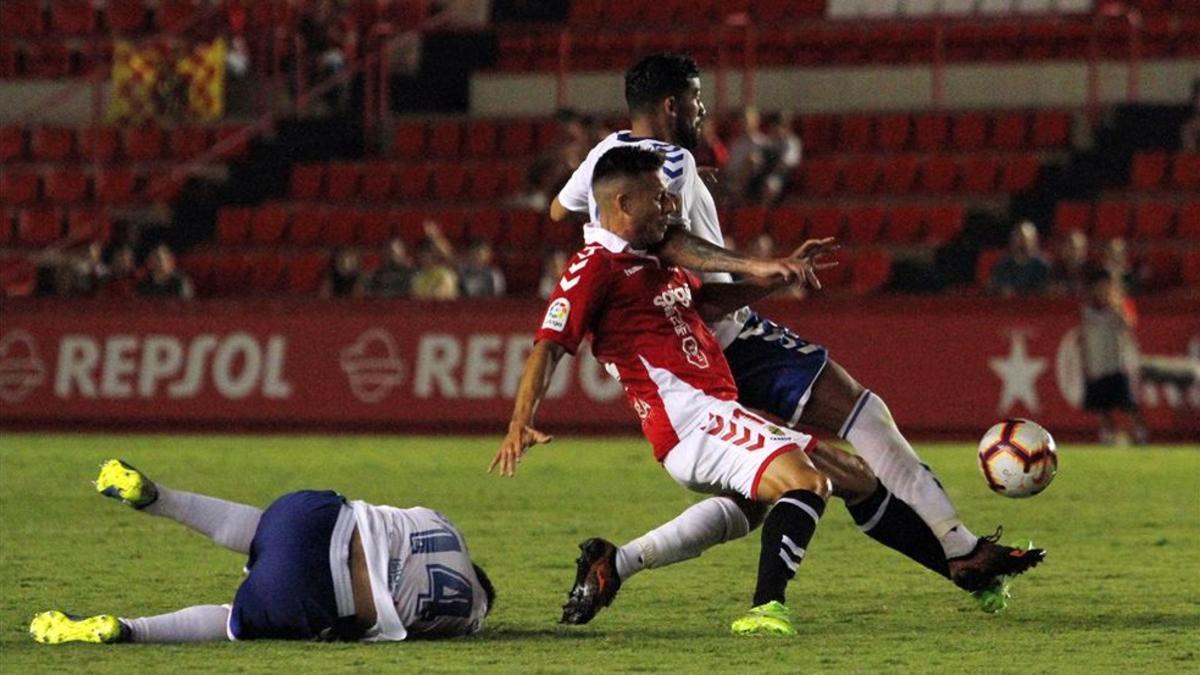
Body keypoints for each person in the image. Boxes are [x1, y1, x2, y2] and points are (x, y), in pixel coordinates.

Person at [548, 53, 1044, 622]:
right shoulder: (671, 163)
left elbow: (562, 211)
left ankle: (618, 563)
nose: (704, 108)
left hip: (683, 337)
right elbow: (668, 243)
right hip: (721, 333)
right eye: (696, 97)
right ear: (670, 105)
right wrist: (755, 268)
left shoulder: (609, 157)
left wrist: (660, 198)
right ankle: (958, 549)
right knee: (862, 415)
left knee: (763, 499)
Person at [492, 147, 840, 636]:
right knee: (806, 482)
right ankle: (767, 609)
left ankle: (614, 565)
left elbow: (706, 304)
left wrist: (771, 277)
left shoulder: (652, 258)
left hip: (713, 412)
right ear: (624, 204)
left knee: (757, 506)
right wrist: (519, 421)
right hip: (692, 419)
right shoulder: (594, 266)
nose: (672, 207)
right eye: (660, 198)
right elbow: (548, 346)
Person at [30, 459, 494, 645]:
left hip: (314, 515)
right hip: (316, 591)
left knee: (261, 527)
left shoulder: (447, 526)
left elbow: (398, 513)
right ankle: (128, 630)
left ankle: (160, 498)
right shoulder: (468, 618)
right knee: (231, 618)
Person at [1080, 268, 1147, 445]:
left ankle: (1140, 434)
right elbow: (1083, 337)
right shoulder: (1087, 309)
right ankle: (1108, 435)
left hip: (1117, 364)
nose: (1102, 291)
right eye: (1099, 287)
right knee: (1102, 406)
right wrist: (1085, 364)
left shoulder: (1120, 305)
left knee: (1127, 404)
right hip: (1097, 365)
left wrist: (1117, 306)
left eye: (1105, 287)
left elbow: (1129, 324)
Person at [989, 221, 1051, 297]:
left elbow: (1044, 291)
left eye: (1026, 239)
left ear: (1035, 241)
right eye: (1018, 238)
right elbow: (996, 287)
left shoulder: (1043, 266)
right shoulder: (1002, 265)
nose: (1022, 242)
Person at [1049, 229, 1091, 298]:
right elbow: (1052, 294)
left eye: (1079, 248)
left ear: (1085, 251)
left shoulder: (1092, 271)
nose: (1075, 252)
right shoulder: (1056, 269)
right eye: (1071, 247)